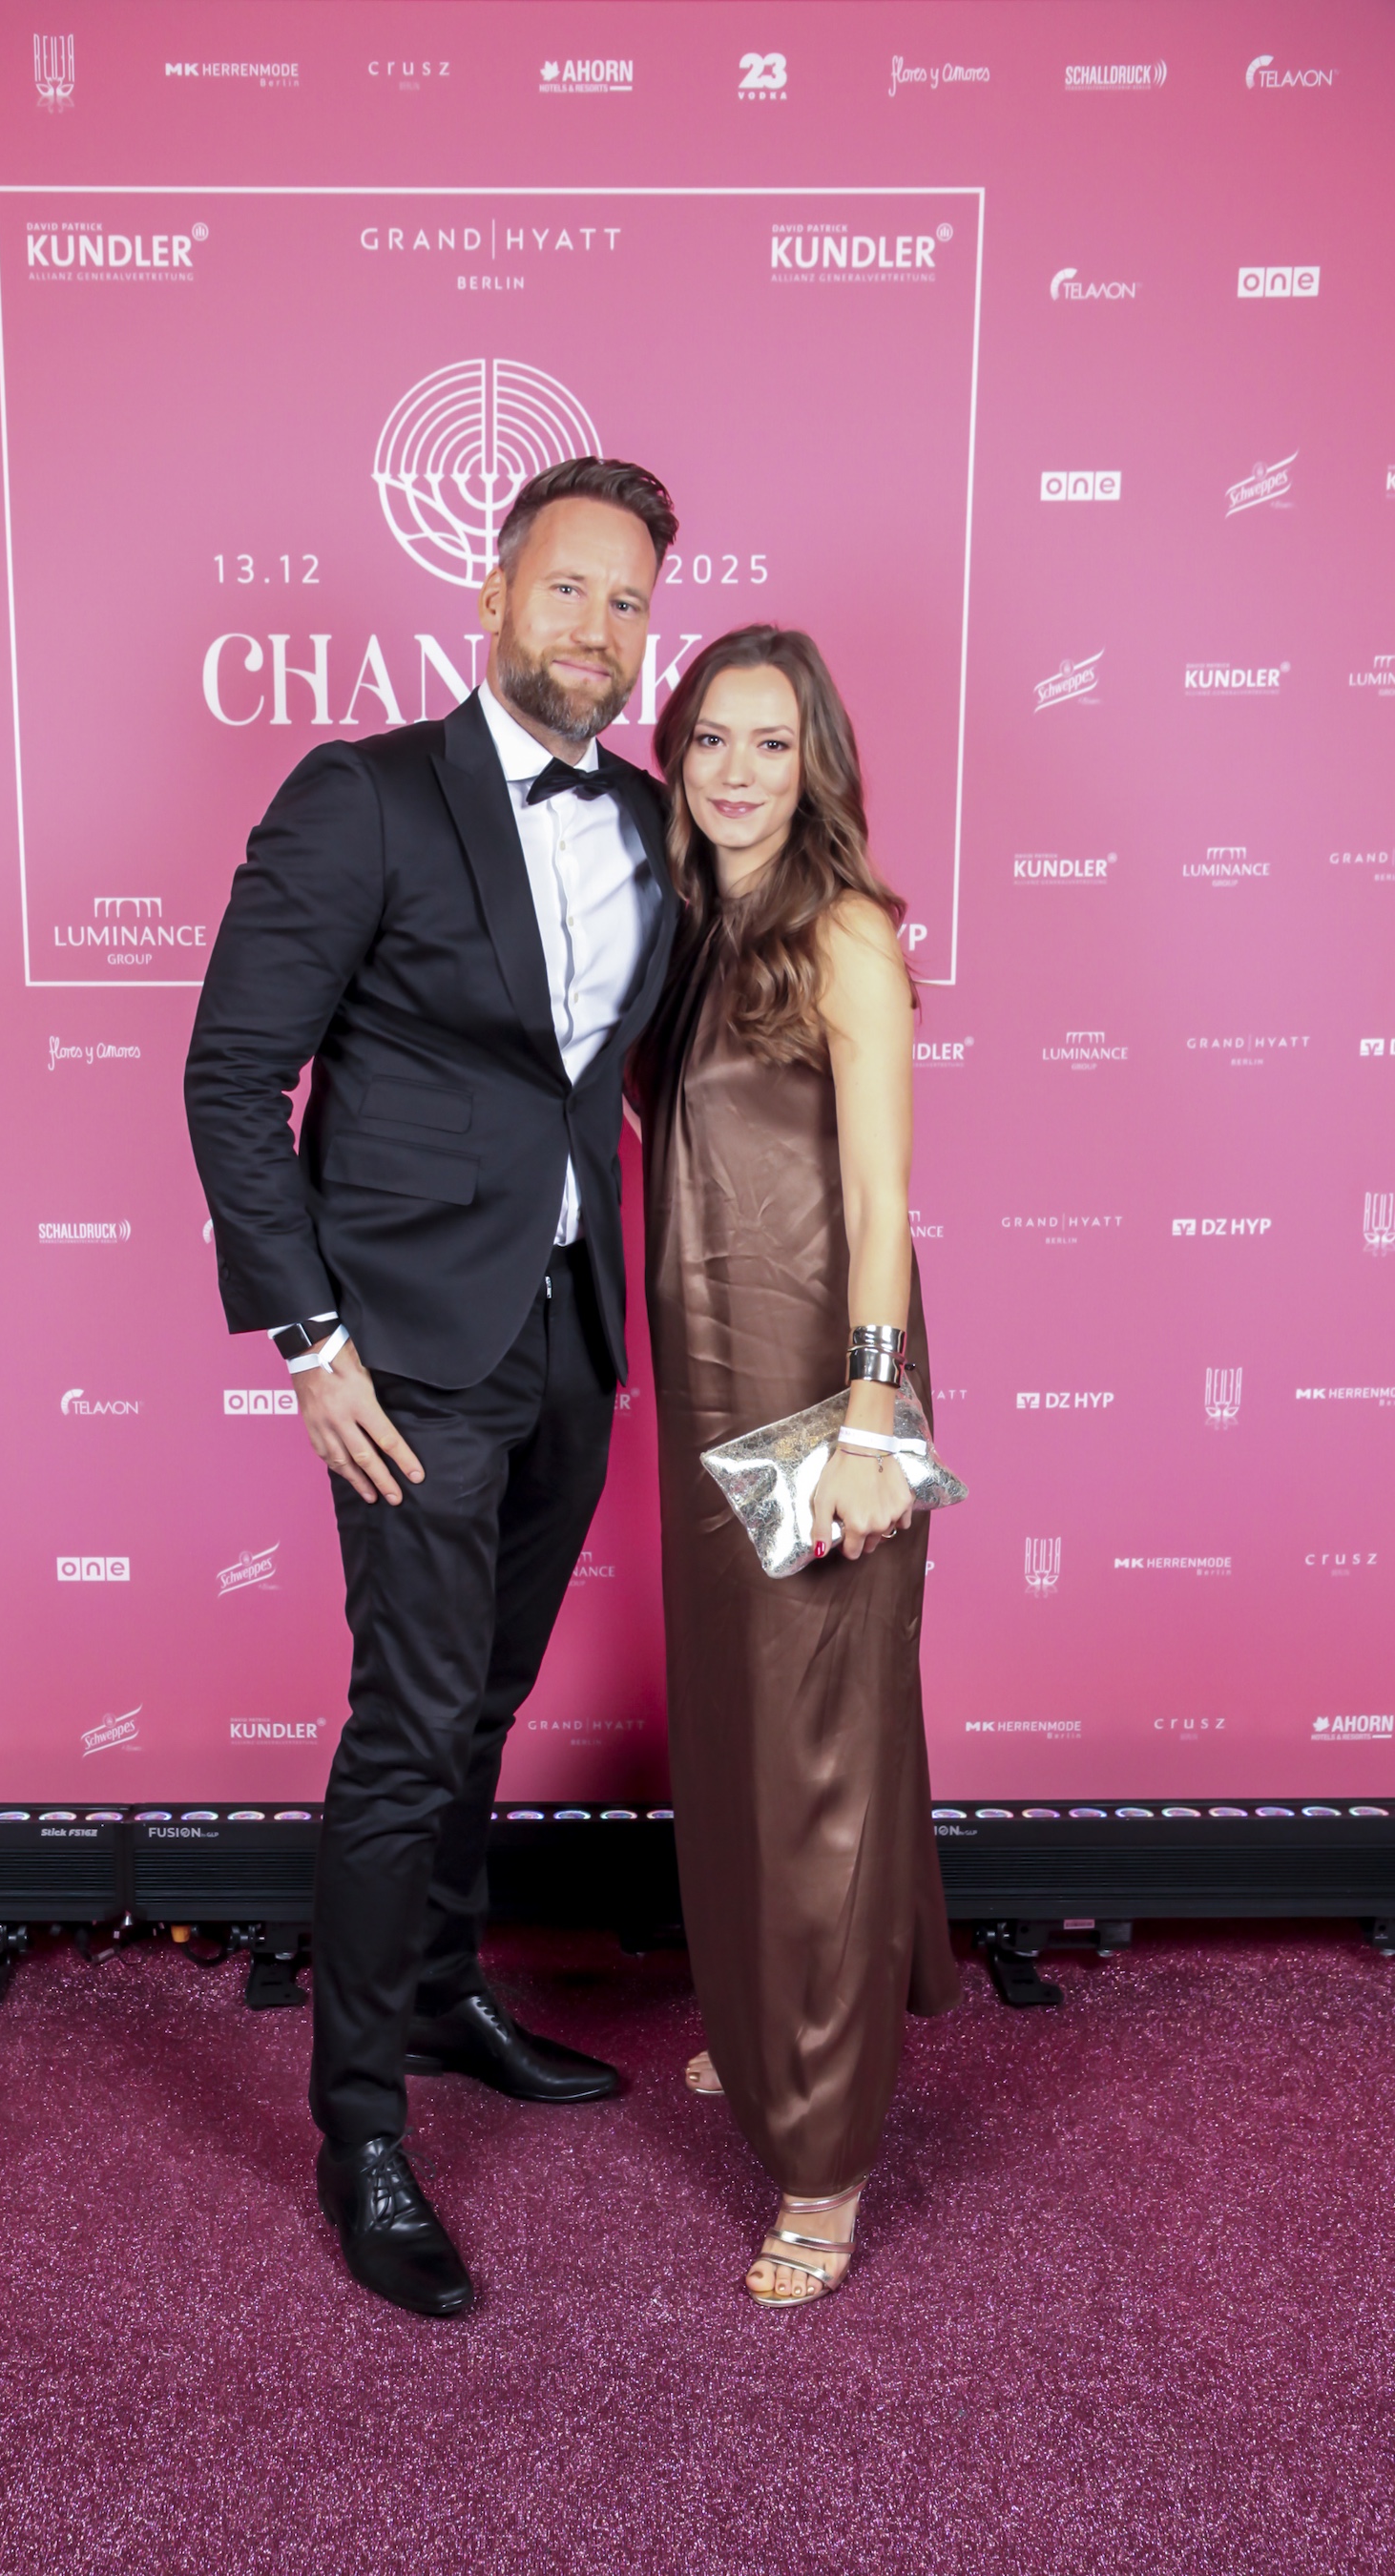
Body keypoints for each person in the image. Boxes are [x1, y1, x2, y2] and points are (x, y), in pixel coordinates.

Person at [185, 458, 680, 2318]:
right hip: (400, 1353)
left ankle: (447, 1990)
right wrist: (311, 1345)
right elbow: (232, 1079)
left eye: (628, 603)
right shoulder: (363, 796)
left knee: (482, 1698)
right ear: (490, 595)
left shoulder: (650, 822)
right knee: (406, 1724)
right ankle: (361, 2133)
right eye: (569, 589)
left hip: (569, 1334)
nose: (597, 630)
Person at [634, 625, 960, 2308]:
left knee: (816, 1766)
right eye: (711, 740)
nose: (738, 773)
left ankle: (822, 2161)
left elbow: (885, 1201)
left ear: (816, 760)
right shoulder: (690, 927)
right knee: (750, 1733)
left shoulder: (842, 930)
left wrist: (873, 1422)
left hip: (825, 1395)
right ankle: (776, 2019)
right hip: (709, 1392)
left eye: (772, 743)